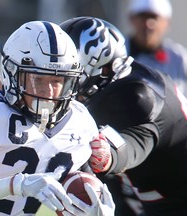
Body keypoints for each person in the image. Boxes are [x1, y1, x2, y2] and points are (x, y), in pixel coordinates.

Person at [0, 20, 115, 216]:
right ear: (12, 75)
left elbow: (74, 197)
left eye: (57, 80)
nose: (48, 91)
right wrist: (16, 185)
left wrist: (91, 209)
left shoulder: (80, 124)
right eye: (38, 79)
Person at [59, 16, 187, 216]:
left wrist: (108, 155)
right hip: (140, 190)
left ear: (102, 69)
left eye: (68, 72)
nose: (59, 82)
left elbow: (131, 144)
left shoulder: (137, 97)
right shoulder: (111, 83)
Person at [126, 0, 187, 96]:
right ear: (131, 19)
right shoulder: (117, 52)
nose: (148, 24)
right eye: (143, 16)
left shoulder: (180, 59)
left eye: (154, 17)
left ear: (167, 23)